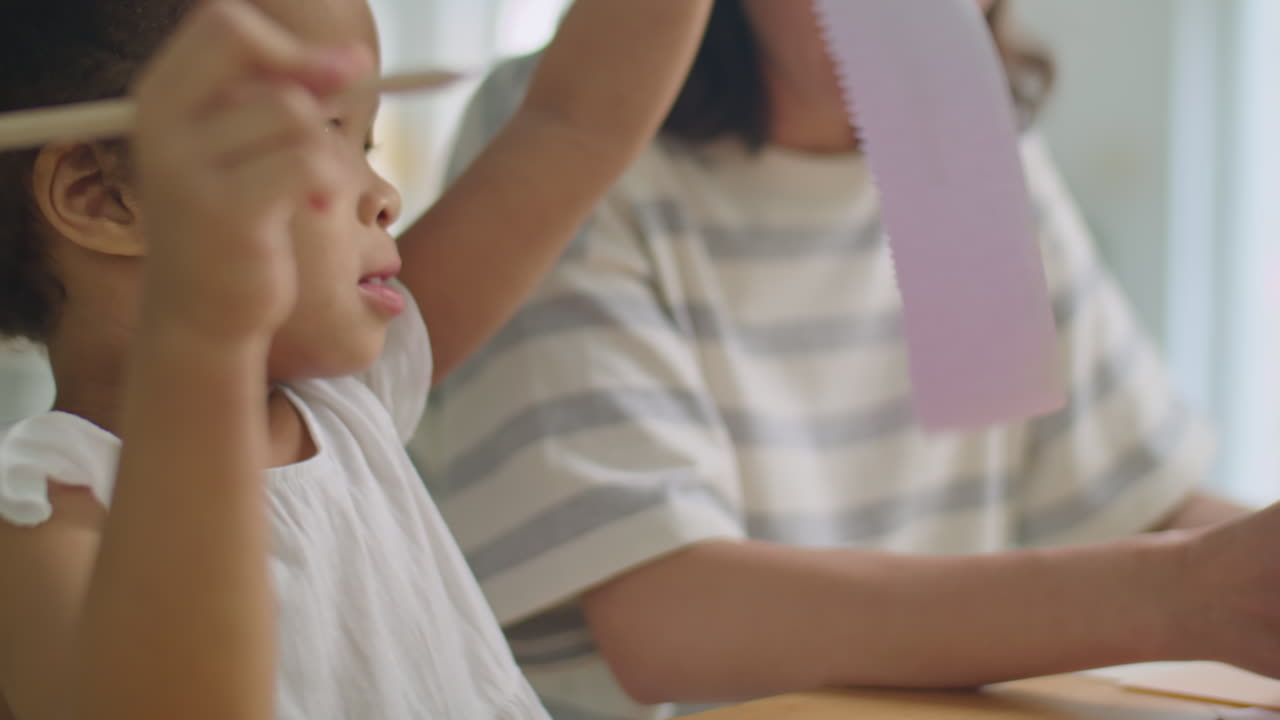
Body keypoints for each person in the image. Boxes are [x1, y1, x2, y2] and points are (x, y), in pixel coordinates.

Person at [414, 2, 1279, 719]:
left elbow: (1140, 504)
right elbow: (669, 619)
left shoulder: (956, 151)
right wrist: (1183, 592)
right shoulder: (568, 133)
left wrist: (1219, 571)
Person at [0, 0, 712, 718]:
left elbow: (576, 123)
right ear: (103, 195)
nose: (386, 196)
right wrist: (203, 338)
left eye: (366, 145)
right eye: (321, 133)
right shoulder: (44, 523)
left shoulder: (346, 399)